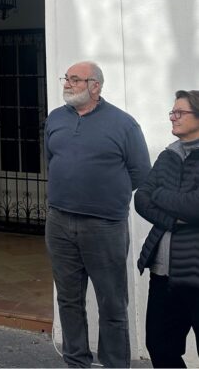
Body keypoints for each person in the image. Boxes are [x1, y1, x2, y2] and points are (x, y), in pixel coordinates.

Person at [44, 61, 151, 367]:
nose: (68, 83)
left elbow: (140, 173)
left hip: (104, 226)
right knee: (68, 300)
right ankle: (76, 361)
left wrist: (102, 197)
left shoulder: (124, 124)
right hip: (59, 222)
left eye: (75, 79)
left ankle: (115, 363)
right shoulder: (55, 119)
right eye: (67, 78)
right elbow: (51, 160)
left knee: (112, 303)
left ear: (95, 86)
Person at [135, 90, 199, 368]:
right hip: (162, 274)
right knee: (160, 347)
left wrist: (160, 195)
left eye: (179, 112)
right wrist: (174, 218)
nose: (172, 117)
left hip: (195, 273)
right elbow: (141, 198)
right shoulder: (168, 155)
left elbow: (194, 207)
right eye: (172, 112)